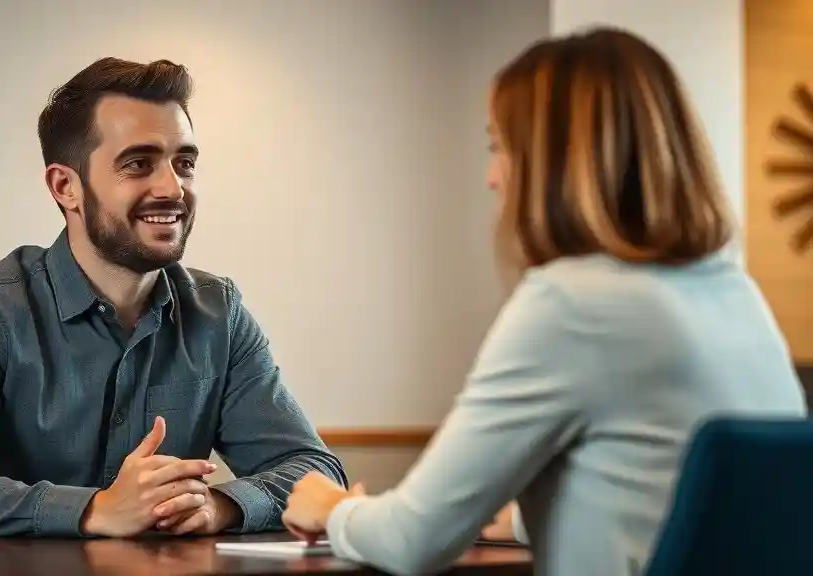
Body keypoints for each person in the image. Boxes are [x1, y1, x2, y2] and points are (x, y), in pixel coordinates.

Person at [281, 26, 808, 576]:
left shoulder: (573, 303)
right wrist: (532, 519)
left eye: (498, 147)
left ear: (555, 162)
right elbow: (678, 494)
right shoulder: (733, 292)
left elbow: (415, 539)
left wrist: (335, 508)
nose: (491, 177)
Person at [0, 57, 347, 538]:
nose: (173, 188)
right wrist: (95, 510)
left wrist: (220, 505)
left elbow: (316, 474)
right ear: (65, 186)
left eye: (185, 163)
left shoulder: (220, 313)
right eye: (138, 164)